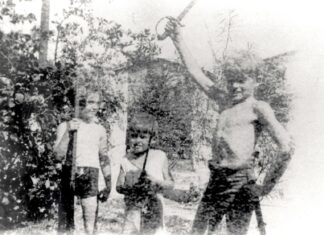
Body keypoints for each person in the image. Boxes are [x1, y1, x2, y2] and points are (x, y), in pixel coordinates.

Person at [164, 18, 294, 234]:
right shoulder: (225, 101)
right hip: (217, 179)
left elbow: (286, 147)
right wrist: (178, 38)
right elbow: (197, 73)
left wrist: (265, 186)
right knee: (199, 232)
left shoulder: (258, 108)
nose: (235, 86)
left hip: (240, 182)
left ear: (256, 81)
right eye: (231, 79)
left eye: (241, 80)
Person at [53, 89, 111, 235]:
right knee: (65, 222)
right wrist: (69, 132)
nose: (95, 107)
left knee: (90, 222)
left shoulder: (100, 130)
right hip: (69, 172)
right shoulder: (65, 126)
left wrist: (108, 183)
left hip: (90, 175)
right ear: (79, 103)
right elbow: (58, 156)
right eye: (91, 102)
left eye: (98, 103)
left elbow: (103, 158)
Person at [116, 113, 175, 235]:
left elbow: (170, 183)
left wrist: (155, 181)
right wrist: (130, 184)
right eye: (133, 136)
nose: (137, 141)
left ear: (152, 139)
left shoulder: (159, 156)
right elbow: (118, 186)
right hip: (132, 210)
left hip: (154, 209)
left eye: (142, 137)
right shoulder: (125, 159)